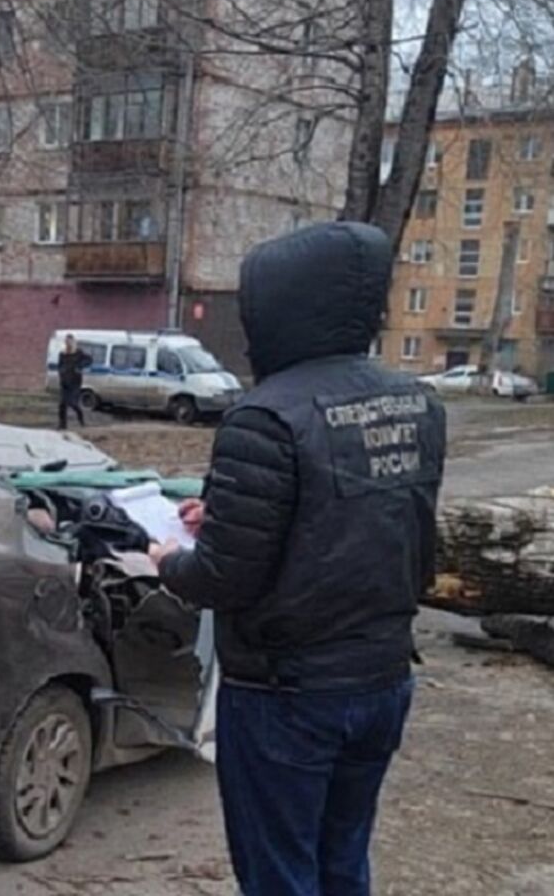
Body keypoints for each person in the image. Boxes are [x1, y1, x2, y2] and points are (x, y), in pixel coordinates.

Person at [149, 222, 446, 896]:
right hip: (381, 680)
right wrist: (226, 513)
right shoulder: (418, 403)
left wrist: (169, 556)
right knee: (342, 861)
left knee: (280, 874)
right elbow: (368, 519)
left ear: (278, 307)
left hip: (287, 695)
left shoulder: (263, 417)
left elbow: (222, 576)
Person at [57, 334, 92, 430]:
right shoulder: (62, 353)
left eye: (70, 341)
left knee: (73, 403)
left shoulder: (79, 353)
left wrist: (79, 366)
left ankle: (81, 421)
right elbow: (59, 365)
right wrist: (61, 371)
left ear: (73, 342)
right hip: (64, 382)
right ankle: (62, 425)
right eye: (66, 341)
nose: (68, 343)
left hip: (75, 382)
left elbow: (89, 360)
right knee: (62, 404)